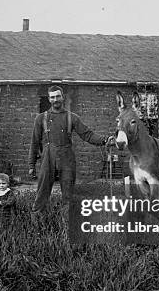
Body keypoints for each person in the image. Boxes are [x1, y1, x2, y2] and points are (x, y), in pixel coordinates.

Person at [28, 86, 115, 221]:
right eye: (52, 97)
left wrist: (104, 140)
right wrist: (31, 165)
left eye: (58, 96)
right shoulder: (41, 118)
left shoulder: (72, 118)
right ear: (49, 99)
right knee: (42, 193)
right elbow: (34, 142)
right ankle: (37, 228)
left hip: (66, 158)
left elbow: (88, 134)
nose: (55, 100)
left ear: (63, 97)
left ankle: (67, 227)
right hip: (48, 158)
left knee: (68, 195)